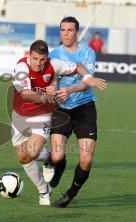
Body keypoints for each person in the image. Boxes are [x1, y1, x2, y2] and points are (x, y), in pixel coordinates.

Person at [12, 39, 106, 206]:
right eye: (34, 59)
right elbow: (26, 94)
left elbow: (77, 65)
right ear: (29, 55)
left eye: (42, 60)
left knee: (32, 152)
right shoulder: (21, 67)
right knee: (22, 156)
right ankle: (44, 189)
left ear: (47, 58)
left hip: (42, 115)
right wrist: (46, 96)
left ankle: (48, 164)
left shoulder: (54, 64)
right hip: (19, 115)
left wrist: (87, 77)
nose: (38, 63)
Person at [47, 16, 103, 208]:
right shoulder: (54, 54)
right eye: (63, 30)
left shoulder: (88, 53)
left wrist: (69, 90)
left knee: (86, 160)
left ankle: (69, 195)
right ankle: (59, 168)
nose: (66, 34)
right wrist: (53, 88)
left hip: (85, 109)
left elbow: (87, 81)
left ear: (76, 32)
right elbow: (52, 79)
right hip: (62, 109)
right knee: (56, 157)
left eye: (70, 30)